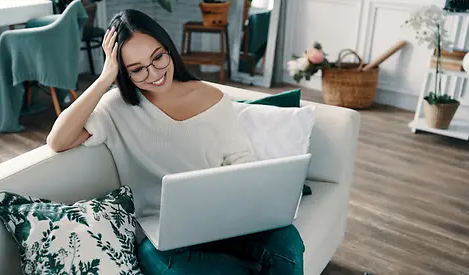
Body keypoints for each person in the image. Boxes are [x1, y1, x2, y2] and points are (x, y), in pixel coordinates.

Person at [46, 9, 305, 275]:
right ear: (123, 72)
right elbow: (58, 140)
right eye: (136, 69)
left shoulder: (212, 97)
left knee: (288, 242)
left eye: (158, 57)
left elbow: (241, 159)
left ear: (168, 47)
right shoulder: (115, 108)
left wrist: (248, 200)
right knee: (162, 262)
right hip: (164, 237)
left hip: (224, 221)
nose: (154, 73)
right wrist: (104, 79)